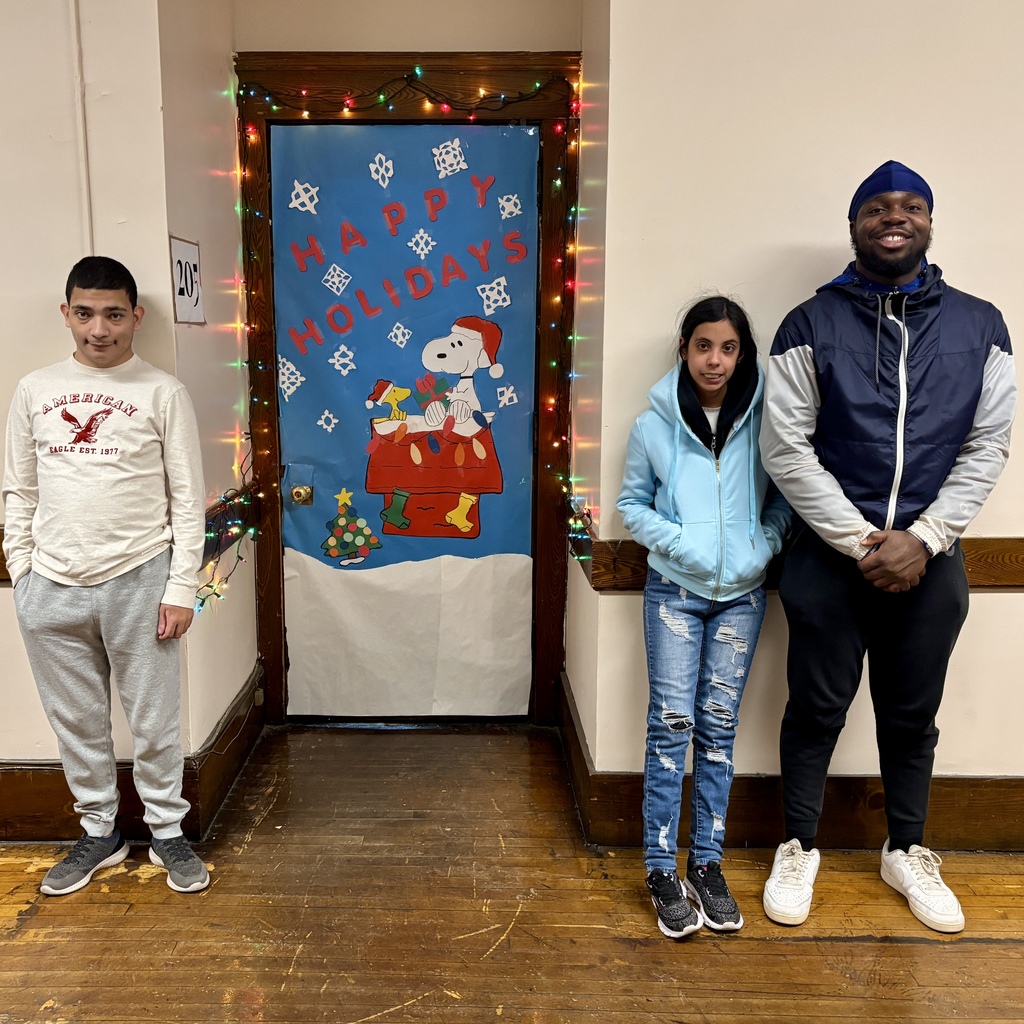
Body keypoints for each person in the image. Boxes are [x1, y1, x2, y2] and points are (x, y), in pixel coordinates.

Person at [760, 161, 1016, 933]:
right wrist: (866, 540)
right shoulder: (809, 322)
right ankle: (798, 843)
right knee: (815, 710)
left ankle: (906, 849)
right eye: (876, 207)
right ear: (855, 226)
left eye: (910, 207)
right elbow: (786, 447)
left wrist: (926, 539)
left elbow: (990, 443)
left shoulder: (982, 325)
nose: (893, 217)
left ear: (930, 224)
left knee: (913, 717)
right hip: (828, 558)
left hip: (932, 563)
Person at [3, 256, 210, 895]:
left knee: (154, 718)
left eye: (113, 314)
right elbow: (19, 489)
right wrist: (23, 571)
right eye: (86, 313)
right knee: (77, 720)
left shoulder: (162, 392)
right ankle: (100, 831)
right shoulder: (34, 389)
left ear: (135, 317)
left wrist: (181, 590)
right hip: (52, 586)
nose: (100, 328)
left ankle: (168, 832)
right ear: (66, 314)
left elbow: (187, 498)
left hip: (141, 578)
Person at [618, 296, 791, 937]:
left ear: (741, 354)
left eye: (728, 348)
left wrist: (761, 548)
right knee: (671, 724)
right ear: (685, 350)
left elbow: (783, 505)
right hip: (674, 595)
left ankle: (707, 865)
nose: (714, 360)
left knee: (718, 730)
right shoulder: (653, 426)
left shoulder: (765, 423)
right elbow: (632, 507)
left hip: (742, 598)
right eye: (702, 346)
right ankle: (662, 869)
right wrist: (685, 546)